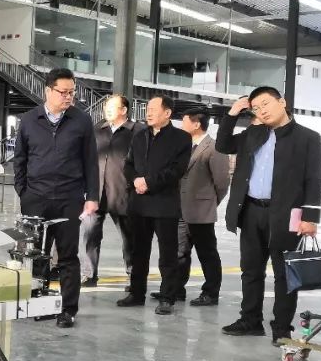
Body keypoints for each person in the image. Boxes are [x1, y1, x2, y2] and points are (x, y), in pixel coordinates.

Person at [216, 87, 321, 343]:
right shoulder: (253, 134)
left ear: (282, 102)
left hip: (287, 215)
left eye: (265, 104)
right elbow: (223, 145)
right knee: (251, 270)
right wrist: (233, 113)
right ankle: (250, 320)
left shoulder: (308, 138)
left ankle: (282, 328)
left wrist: (311, 217)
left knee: (284, 274)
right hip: (251, 210)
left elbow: (314, 180)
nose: (261, 111)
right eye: (256, 108)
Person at [13, 68, 99, 328]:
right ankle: (37, 303)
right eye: (63, 92)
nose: (68, 97)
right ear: (48, 91)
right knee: (35, 254)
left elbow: (90, 162)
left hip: (69, 199)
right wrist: (23, 191)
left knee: (68, 255)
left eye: (72, 92)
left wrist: (92, 196)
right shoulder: (30, 120)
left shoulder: (82, 121)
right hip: (35, 199)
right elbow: (20, 159)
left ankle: (68, 309)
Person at [117, 95, 191, 315]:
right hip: (138, 204)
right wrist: (135, 180)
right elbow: (128, 164)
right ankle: (136, 293)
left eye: (153, 109)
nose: (148, 112)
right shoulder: (139, 135)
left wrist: (148, 182)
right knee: (138, 252)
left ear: (167, 113)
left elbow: (177, 170)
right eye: (147, 108)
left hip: (164, 204)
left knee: (168, 254)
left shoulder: (181, 138)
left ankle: (167, 297)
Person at [168, 108, 230, 306]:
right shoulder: (183, 146)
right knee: (179, 252)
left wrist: (210, 202)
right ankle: (176, 289)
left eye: (184, 122)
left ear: (196, 124)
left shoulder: (214, 147)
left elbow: (222, 183)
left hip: (201, 210)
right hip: (180, 208)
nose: (181, 126)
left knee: (207, 253)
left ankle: (210, 293)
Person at [80, 94, 139, 287]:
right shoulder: (97, 129)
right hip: (95, 194)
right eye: (106, 107)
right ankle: (90, 275)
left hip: (123, 194)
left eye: (112, 107)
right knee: (90, 235)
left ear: (124, 110)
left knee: (130, 239)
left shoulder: (137, 131)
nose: (107, 110)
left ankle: (134, 276)